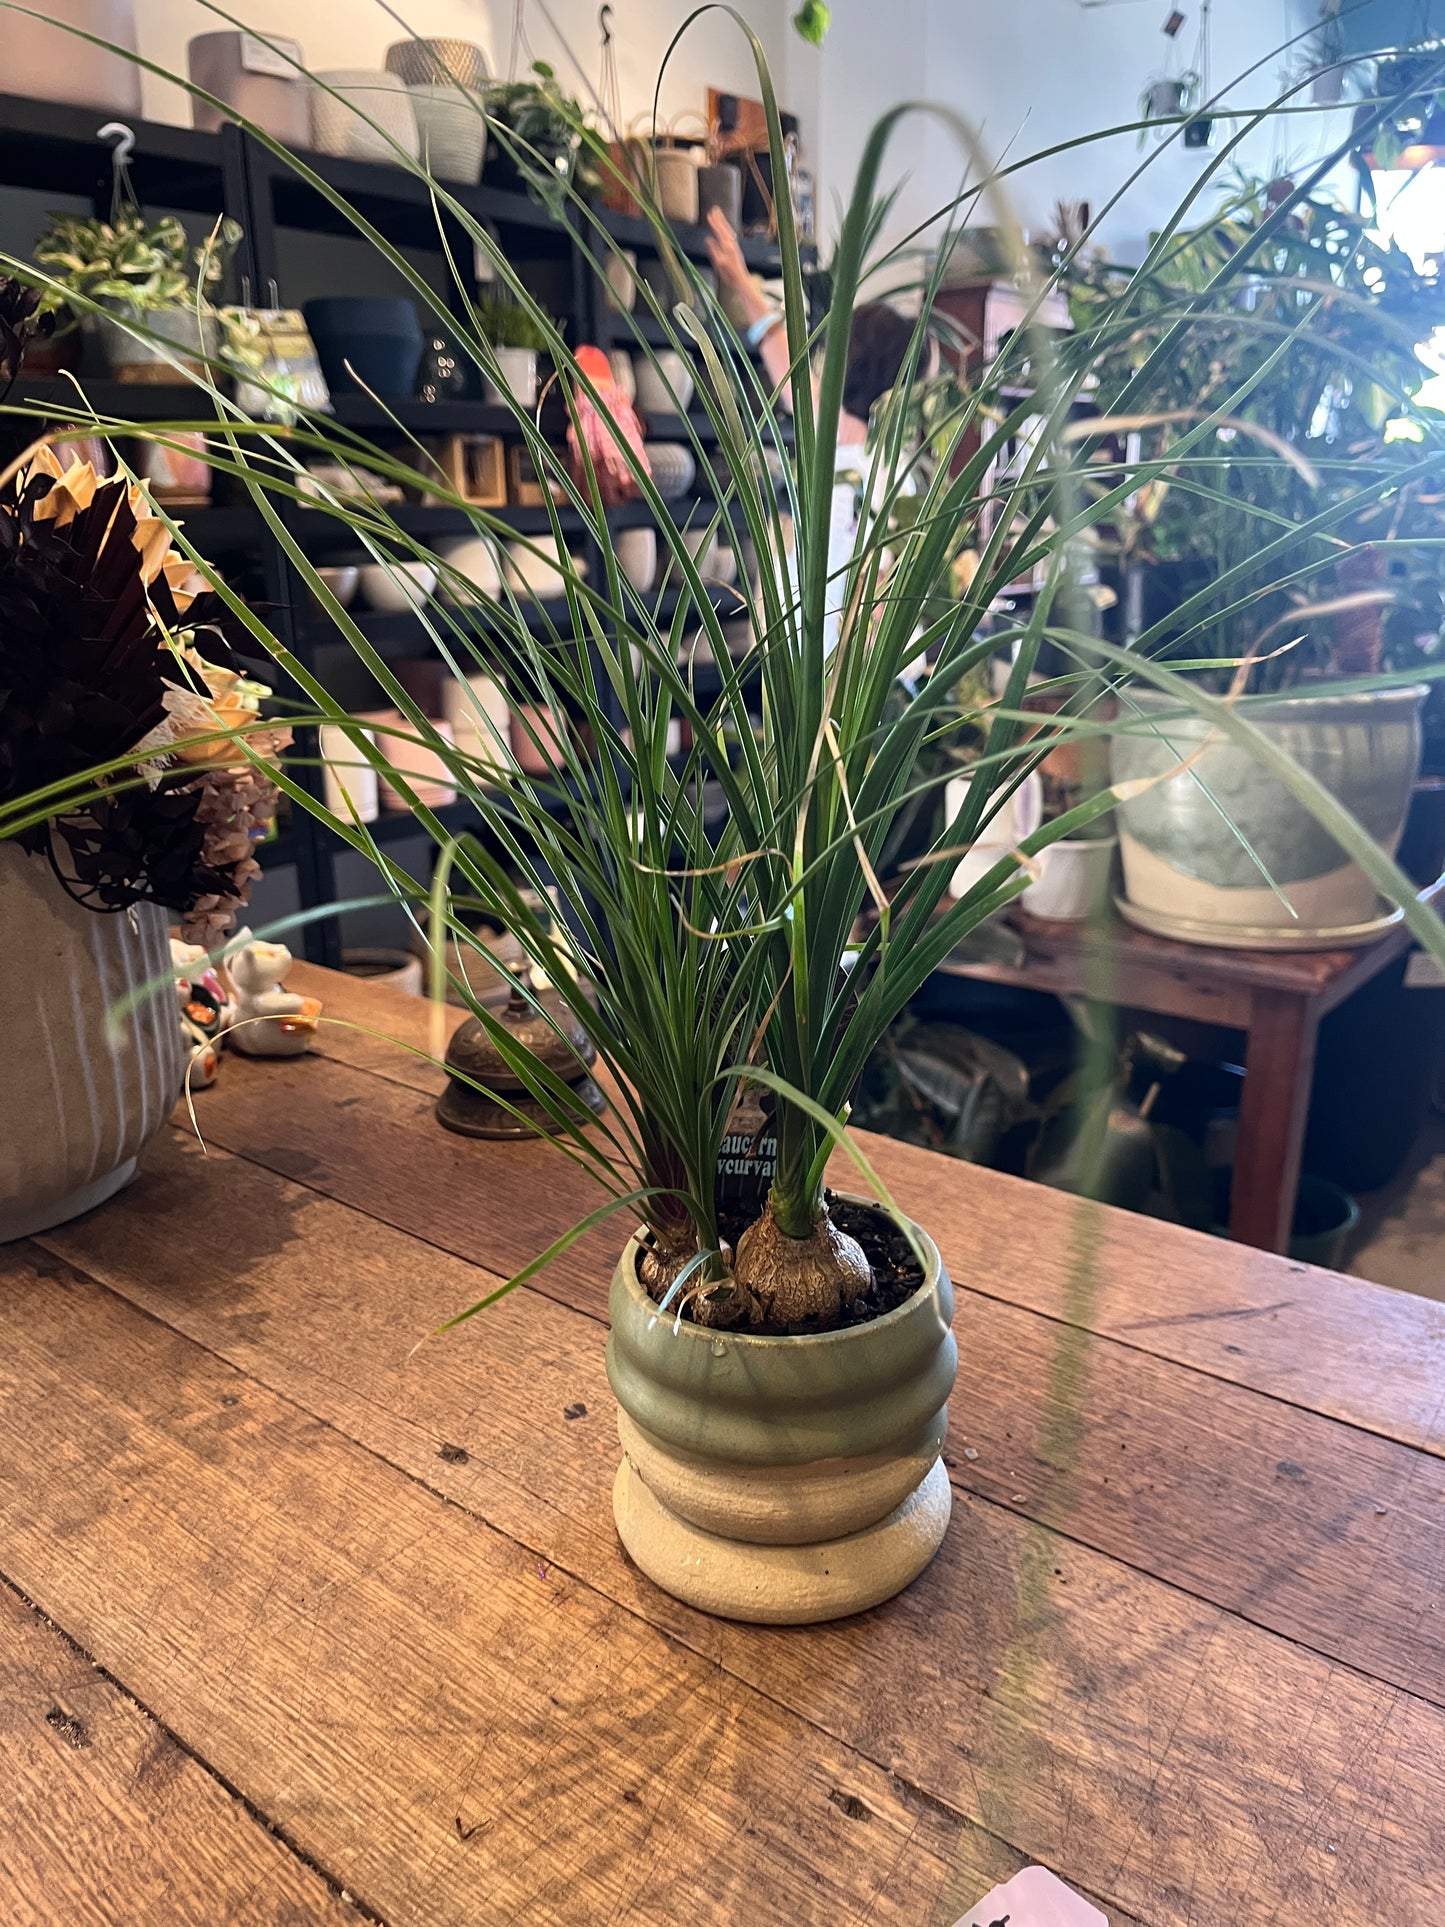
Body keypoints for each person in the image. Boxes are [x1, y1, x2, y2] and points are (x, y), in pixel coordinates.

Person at [704, 206, 929, 656]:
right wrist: (741, 282)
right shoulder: (887, 465)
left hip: (817, 664)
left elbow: (786, 366)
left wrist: (742, 281)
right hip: (845, 667)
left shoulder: (843, 450)